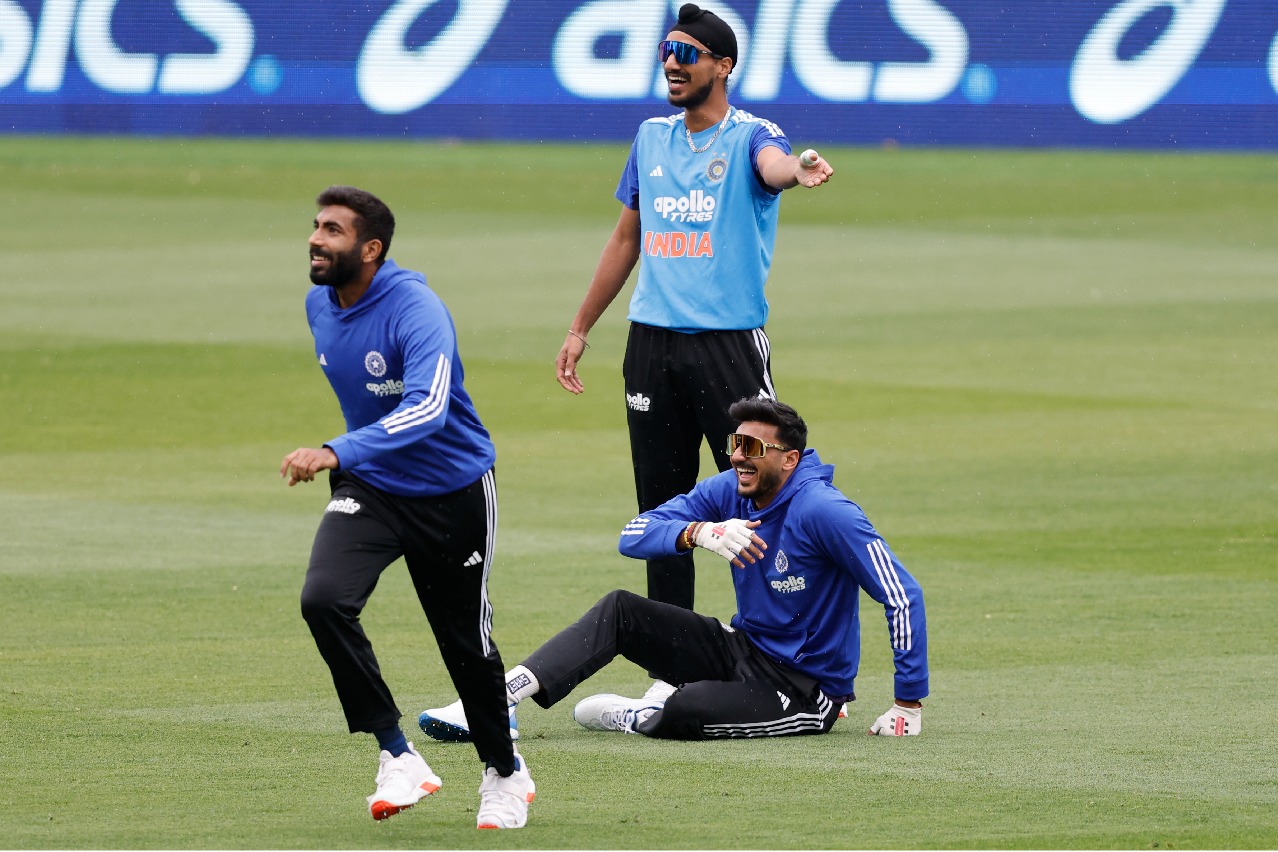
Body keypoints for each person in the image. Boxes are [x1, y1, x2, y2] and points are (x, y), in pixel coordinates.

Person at [554, 4, 836, 650]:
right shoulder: (651, 139)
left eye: (686, 54)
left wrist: (798, 172)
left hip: (728, 347)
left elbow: (774, 167)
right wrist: (580, 327)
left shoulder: (750, 134)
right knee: (663, 510)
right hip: (650, 344)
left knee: (768, 497)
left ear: (723, 65)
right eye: (665, 51)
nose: (671, 65)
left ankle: (793, 652)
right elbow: (627, 239)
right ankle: (669, 663)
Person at [419, 398, 927, 743]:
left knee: (687, 709)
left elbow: (901, 593)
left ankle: (640, 717)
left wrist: (907, 704)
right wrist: (698, 533)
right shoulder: (730, 489)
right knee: (621, 610)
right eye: (735, 443)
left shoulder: (825, 511)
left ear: (790, 459)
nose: (737, 457)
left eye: (752, 448)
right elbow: (634, 533)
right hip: (741, 647)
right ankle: (494, 703)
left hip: (806, 689)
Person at [280, 186, 533, 829]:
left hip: (453, 493)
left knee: (464, 646)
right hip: (373, 488)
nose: (316, 238)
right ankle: (398, 756)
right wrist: (353, 459)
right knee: (324, 600)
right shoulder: (319, 304)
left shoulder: (416, 308)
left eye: (332, 231)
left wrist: (336, 450)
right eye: (316, 226)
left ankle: (504, 773)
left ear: (371, 249)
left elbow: (428, 406)